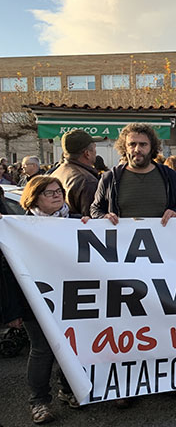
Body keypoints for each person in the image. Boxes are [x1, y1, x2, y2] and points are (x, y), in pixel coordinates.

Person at [1, 176, 88, 424]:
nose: (57, 195)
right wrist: (13, 310)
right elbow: (8, 272)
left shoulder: (74, 221)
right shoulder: (19, 226)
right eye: (49, 193)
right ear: (35, 197)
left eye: (59, 191)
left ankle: (68, 389)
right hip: (34, 300)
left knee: (72, 345)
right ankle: (38, 401)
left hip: (70, 296)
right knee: (42, 349)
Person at [91, 123, 176, 226]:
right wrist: (103, 217)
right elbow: (95, 209)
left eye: (143, 144)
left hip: (161, 239)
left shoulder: (169, 175)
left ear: (152, 147)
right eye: (132, 144)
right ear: (124, 147)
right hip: (122, 240)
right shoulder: (110, 178)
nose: (137, 149)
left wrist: (175, 212)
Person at [51, 129, 102, 216]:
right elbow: (92, 220)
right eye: (94, 148)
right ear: (87, 154)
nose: (95, 152)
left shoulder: (57, 172)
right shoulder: (87, 181)